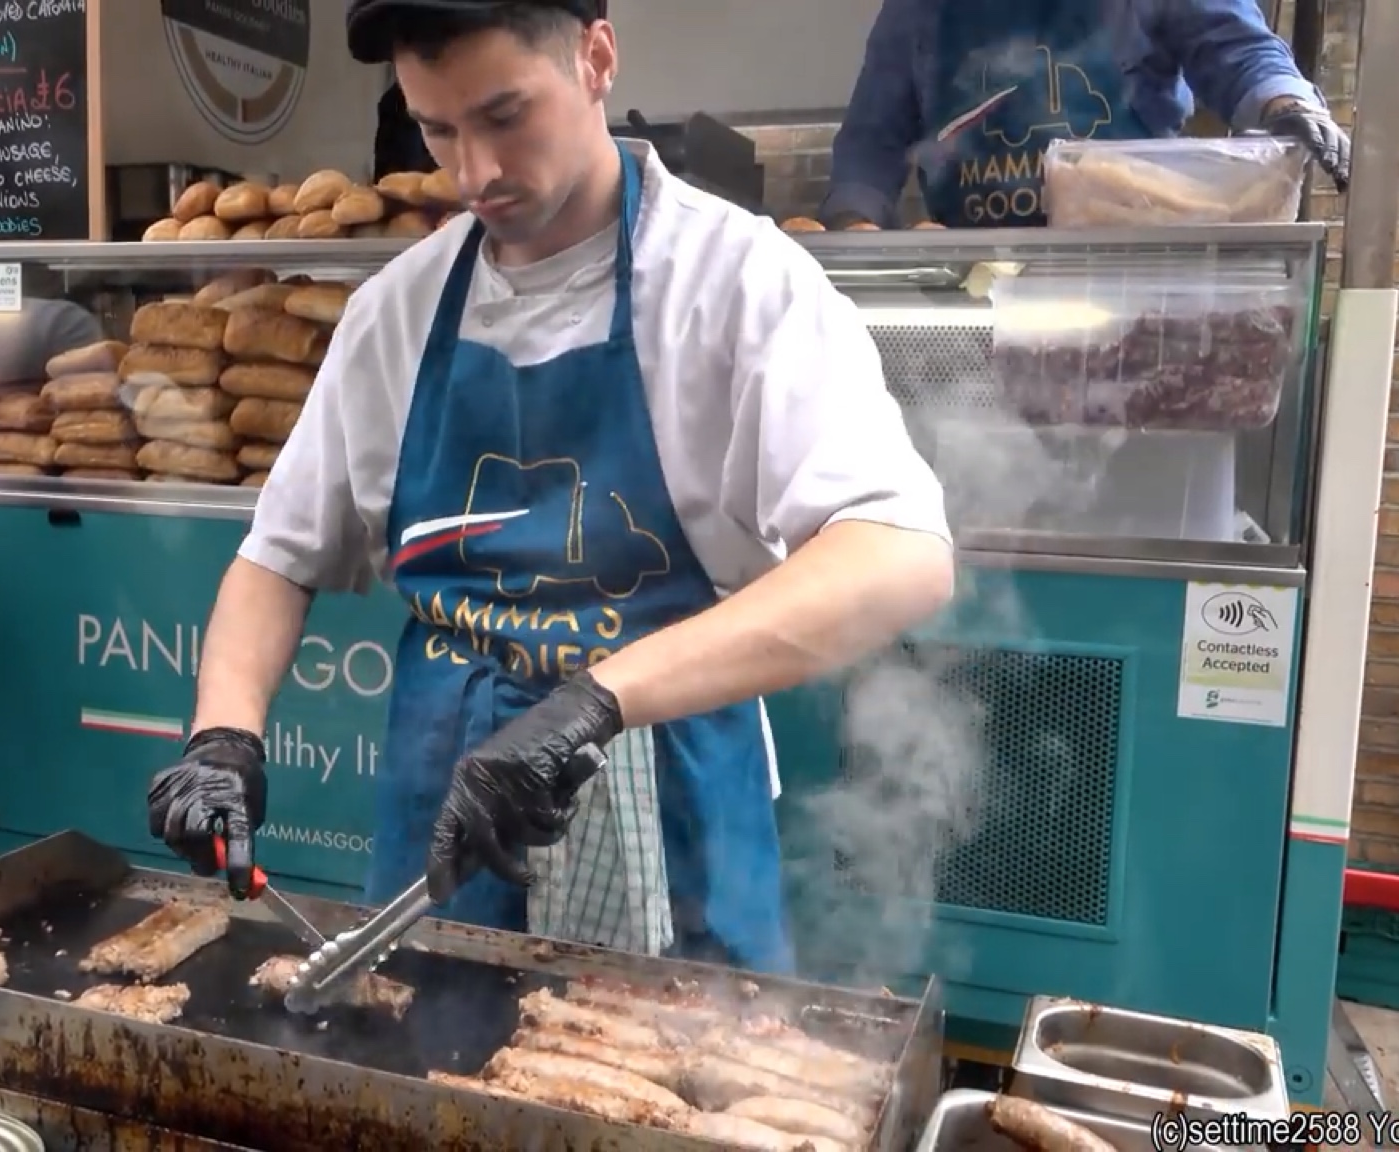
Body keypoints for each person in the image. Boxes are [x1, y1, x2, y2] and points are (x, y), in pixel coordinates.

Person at [145, 0, 955, 974]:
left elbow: (900, 554)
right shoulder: (394, 314)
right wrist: (222, 736)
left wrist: (594, 701)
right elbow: (277, 558)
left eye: (504, 116)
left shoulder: (738, 285)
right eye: (437, 130)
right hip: (446, 833)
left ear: (597, 58)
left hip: (677, 813)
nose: (474, 173)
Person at [823, 0, 1351, 230]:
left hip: (1131, 275)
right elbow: (873, 138)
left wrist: (1289, 104)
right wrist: (853, 226)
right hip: (974, 286)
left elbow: (1238, 48)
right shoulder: (917, 7)